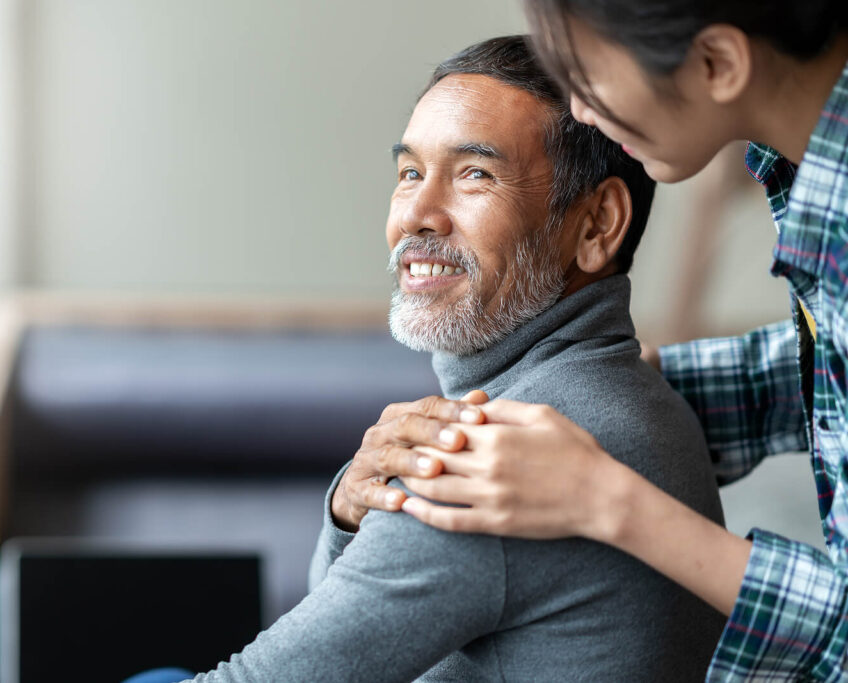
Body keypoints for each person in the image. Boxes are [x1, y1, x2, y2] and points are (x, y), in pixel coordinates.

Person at [129, 35, 725, 682]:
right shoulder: (636, 398)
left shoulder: (501, 462)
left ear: (596, 224)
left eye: (475, 174)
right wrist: (349, 512)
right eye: (410, 173)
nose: (415, 214)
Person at [337, 3, 848, 680]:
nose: (579, 109)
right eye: (409, 171)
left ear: (717, 63)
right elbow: (829, 359)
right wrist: (627, 399)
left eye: (590, 73)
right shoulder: (807, 175)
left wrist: (606, 495)